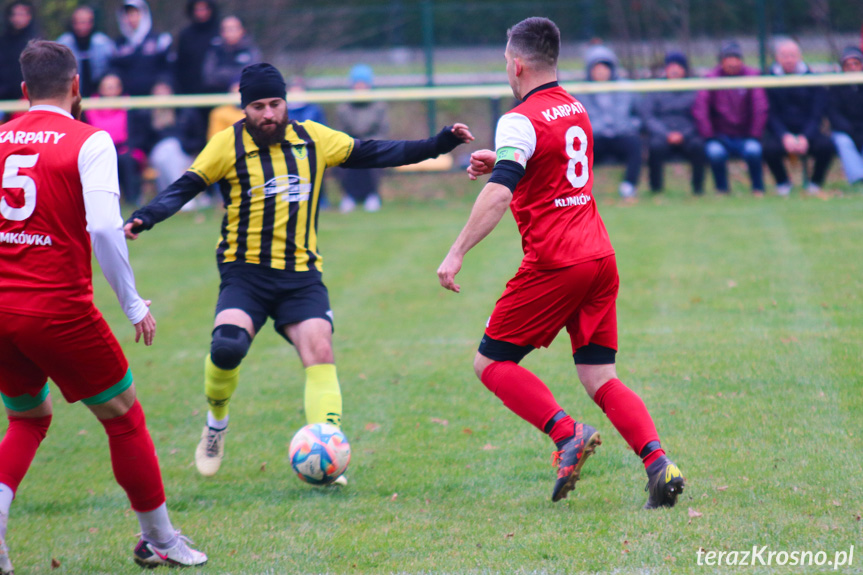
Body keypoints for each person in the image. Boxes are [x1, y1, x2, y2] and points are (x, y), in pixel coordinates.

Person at [123, 63, 474, 479]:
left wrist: (440, 143)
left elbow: (378, 151)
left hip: (300, 275)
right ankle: (216, 423)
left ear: (286, 102)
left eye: (275, 103)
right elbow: (185, 187)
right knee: (227, 348)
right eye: (258, 106)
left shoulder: (313, 139)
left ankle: (328, 449)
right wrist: (145, 217)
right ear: (245, 108)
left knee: (320, 350)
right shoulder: (225, 145)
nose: (268, 114)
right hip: (245, 273)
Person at [437, 17, 684, 508]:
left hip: (557, 262)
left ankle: (566, 432)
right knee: (599, 377)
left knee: (491, 362)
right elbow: (553, 169)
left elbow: (500, 193)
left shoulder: (518, 119)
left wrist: (457, 250)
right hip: (599, 256)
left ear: (517, 64)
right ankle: (660, 464)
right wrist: (504, 157)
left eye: (507, 62)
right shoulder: (576, 107)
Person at [0, 40, 206, 573]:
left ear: (24, 92)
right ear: (76, 87)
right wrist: (134, 304)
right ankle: (160, 538)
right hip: (56, 308)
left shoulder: (0, 138)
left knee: (28, 418)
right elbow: (103, 229)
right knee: (124, 417)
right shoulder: (90, 141)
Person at [693, 40, 768, 195]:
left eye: (736, 58)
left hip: (746, 135)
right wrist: (710, 136)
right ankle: (722, 190)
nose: (733, 63)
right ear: (721, 61)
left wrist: (754, 135)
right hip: (720, 136)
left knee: (754, 150)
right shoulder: (710, 79)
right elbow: (701, 110)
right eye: (728, 58)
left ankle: (757, 189)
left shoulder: (752, 77)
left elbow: (760, 108)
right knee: (715, 153)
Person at [763, 39, 833, 196]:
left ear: (799, 56)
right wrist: (784, 136)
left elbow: (817, 114)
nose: (788, 60)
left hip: (808, 131)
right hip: (781, 133)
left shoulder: (813, 79)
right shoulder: (768, 79)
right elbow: (770, 114)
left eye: (792, 55)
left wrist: (805, 137)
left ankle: (815, 185)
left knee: (826, 146)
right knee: (767, 149)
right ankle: (782, 184)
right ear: (777, 58)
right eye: (784, 56)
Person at [577, 45, 642, 198]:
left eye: (604, 68)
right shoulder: (580, 91)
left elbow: (639, 114)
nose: (601, 72)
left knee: (635, 145)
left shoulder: (626, 88)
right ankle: (581, 190)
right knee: (579, 151)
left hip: (622, 134)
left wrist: (631, 126)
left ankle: (629, 186)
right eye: (596, 68)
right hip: (595, 137)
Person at [641, 51, 706, 195]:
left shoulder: (694, 89)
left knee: (698, 146)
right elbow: (648, 116)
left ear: (685, 69)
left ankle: (698, 190)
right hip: (662, 134)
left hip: (687, 134)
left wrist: (684, 134)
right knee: (655, 147)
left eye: (678, 66)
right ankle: (656, 190)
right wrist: (665, 134)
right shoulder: (655, 88)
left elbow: (700, 117)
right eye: (671, 66)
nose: (674, 70)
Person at [335, 64, 389, 212]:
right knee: (341, 161)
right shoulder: (344, 108)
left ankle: (372, 196)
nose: (360, 88)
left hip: (371, 144)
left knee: (373, 159)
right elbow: (340, 131)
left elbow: (382, 130)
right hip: (350, 145)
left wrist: (368, 143)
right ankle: (349, 196)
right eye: (357, 84)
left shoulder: (379, 106)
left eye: (363, 84)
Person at [84, 73, 143, 206]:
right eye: (108, 87)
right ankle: (99, 203)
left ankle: (132, 200)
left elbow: (138, 133)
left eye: (115, 87)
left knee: (127, 160)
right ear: (101, 89)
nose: (112, 91)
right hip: (97, 150)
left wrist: (129, 147)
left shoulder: (129, 106)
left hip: (125, 149)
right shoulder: (89, 107)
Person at [110, 0, 172, 96]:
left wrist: (162, 83)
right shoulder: (118, 45)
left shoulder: (160, 40)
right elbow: (115, 71)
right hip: (127, 99)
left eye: (134, 14)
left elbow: (168, 70)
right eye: (127, 15)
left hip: (155, 98)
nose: (131, 19)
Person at [56, 5, 115, 97]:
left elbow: (113, 67)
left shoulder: (103, 42)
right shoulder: (63, 43)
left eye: (85, 22)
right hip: (71, 94)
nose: (82, 26)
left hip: (100, 96)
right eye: (78, 22)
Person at [828, 46, 863, 185]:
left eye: (856, 63)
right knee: (843, 141)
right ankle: (858, 180)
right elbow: (833, 113)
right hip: (845, 130)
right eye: (848, 65)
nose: (852, 68)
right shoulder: (836, 87)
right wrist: (850, 130)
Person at [201, 15, 260, 94]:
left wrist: (238, 82)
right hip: (219, 96)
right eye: (226, 29)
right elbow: (209, 77)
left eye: (233, 28)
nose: (230, 32)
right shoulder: (215, 51)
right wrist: (231, 81)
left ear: (242, 30)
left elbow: (255, 74)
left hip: (246, 95)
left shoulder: (250, 50)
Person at [174, 0, 220, 97]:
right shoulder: (185, 35)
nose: (201, 13)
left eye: (204, 9)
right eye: (198, 9)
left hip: (217, 92)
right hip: (190, 92)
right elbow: (180, 65)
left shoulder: (220, 32)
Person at [0, 1, 39, 101]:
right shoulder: (3, 42)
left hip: (29, 97)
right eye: (14, 14)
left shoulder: (37, 43)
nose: (17, 18)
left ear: (29, 16)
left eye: (21, 14)